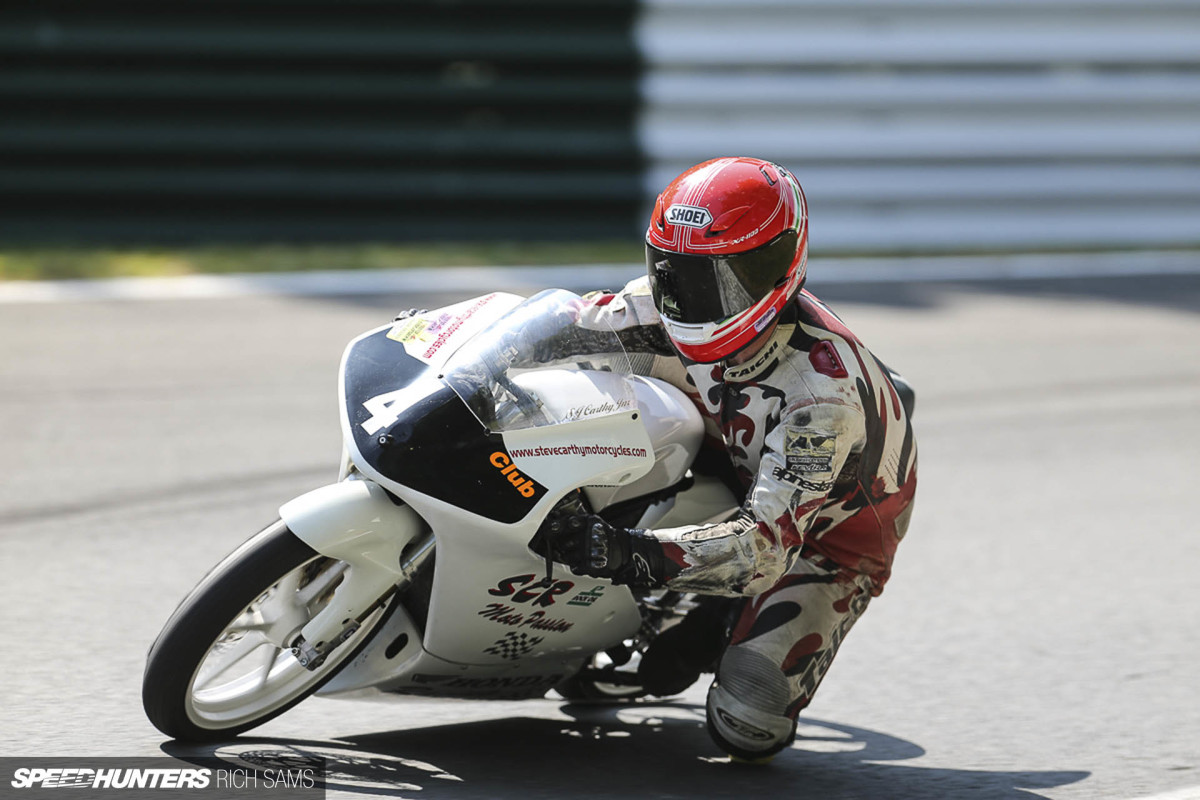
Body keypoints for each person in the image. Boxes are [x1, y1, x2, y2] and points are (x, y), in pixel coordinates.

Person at [554, 156, 918, 762]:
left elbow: (767, 549)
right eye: (682, 275)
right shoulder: (652, 307)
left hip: (826, 532)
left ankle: (716, 623)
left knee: (747, 721)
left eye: (731, 278)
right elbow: (551, 328)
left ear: (785, 262)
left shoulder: (820, 395)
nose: (698, 302)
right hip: (724, 452)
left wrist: (628, 553)